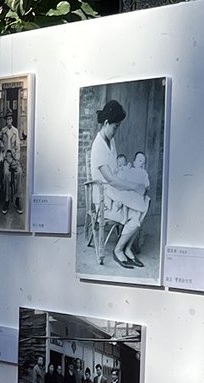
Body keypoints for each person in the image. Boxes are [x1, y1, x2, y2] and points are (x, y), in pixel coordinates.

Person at [88, 99, 148, 269]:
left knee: (144, 198)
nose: (116, 131)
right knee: (138, 202)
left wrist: (134, 181)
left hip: (113, 189)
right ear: (106, 123)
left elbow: (116, 171)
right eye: (115, 127)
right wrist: (134, 186)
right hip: (103, 194)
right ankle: (119, 249)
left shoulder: (111, 141)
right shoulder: (98, 146)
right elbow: (111, 179)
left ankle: (127, 248)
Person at [0, 111, 23, 215]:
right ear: (5, 121)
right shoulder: (3, 130)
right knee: (6, 174)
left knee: (20, 172)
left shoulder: (15, 131)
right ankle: (7, 200)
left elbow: (18, 146)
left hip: (13, 157)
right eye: (7, 119)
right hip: (6, 157)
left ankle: (17, 199)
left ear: (12, 120)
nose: (8, 121)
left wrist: (16, 160)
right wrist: (1, 144)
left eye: (10, 119)